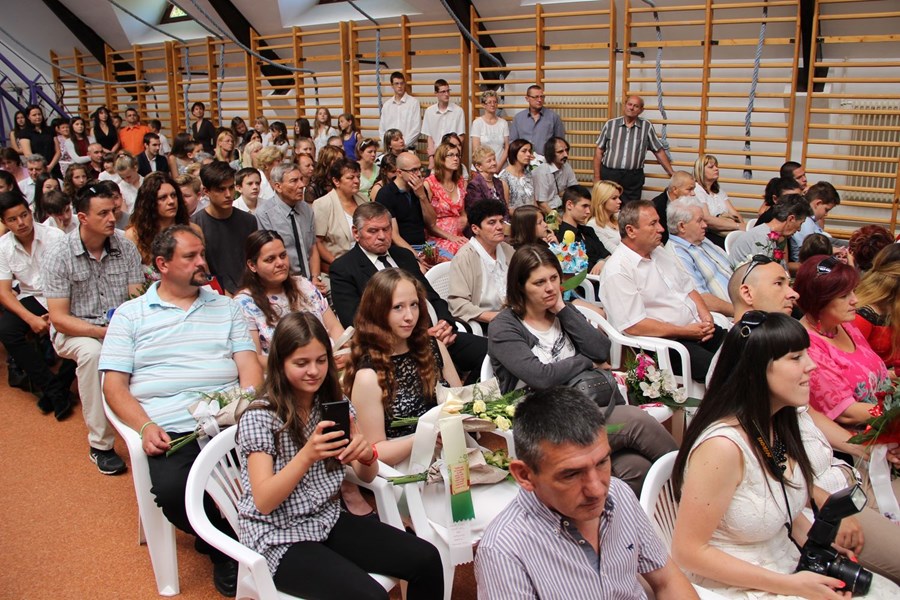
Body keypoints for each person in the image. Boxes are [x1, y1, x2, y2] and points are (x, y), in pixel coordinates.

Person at [671, 311, 897, 599]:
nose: (812, 366)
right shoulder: (721, 448)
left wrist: (819, 550)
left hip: (784, 563)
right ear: (755, 370)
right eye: (796, 358)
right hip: (733, 582)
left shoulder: (776, 424)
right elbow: (688, 552)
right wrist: (793, 586)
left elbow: (781, 506)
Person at [101, 225, 263, 596]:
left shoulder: (226, 307)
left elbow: (249, 368)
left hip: (229, 419)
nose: (201, 262)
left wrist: (244, 406)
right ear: (162, 264)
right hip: (172, 426)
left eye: (201, 254)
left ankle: (267, 538)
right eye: (190, 256)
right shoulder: (130, 316)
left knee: (280, 467)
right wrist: (144, 427)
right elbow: (114, 386)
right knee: (175, 492)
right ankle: (223, 548)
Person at [236, 311, 443, 598]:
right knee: (371, 596)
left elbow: (366, 475)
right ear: (280, 363)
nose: (314, 371)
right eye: (301, 363)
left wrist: (366, 456)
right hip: (277, 537)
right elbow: (264, 501)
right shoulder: (261, 416)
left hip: (326, 518)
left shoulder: (333, 403)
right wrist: (307, 456)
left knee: (427, 559)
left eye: (321, 360)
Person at [476, 386, 698, 600]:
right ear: (525, 475)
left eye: (602, 462)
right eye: (571, 474)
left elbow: (666, 579)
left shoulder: (619, 493)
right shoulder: (503, 552)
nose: (597, 490)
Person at [488, 243, 677, 494]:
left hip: (584, 407)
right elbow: (540, 377)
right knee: (636, 422)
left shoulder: (561, 312)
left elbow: (600, 350)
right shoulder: (504, 327)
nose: (550, 288)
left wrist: (563, 310)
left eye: (554, 278)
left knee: (636, 468)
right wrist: (585, 361)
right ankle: (690, 483)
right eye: (539, 282)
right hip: (544, 420)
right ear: (520, 286)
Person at [44, 184, 144, 474]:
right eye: (103, 213)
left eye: (113, 211)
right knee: (93, 354)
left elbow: (136, 299)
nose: (112, 218)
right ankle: (100, 445)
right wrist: (103, 333)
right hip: (75, 331)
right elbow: (59, 318)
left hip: (119, 325)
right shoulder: (59, 254)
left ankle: (152, 427)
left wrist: (126, 331)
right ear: (83, 218)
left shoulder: (125, 246)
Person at [329, 202, 488, 384]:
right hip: (395, 348)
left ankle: (464, 394)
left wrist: (445, 323)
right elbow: (356, 320)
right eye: (373, 231)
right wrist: (418, 336)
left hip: (438, 337)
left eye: (386, 229)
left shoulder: (403, 256)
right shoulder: (344, 268)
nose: (381, 236)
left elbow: (432, 297)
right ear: (356, 233)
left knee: (493, 354)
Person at [600, 200, 726, 382]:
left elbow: (688, 288)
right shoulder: (618, 270)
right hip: (668, 344)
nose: (661, 229)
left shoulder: (659, 252)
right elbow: (634, 325)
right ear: (631, 231)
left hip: (697, 329)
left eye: (659, 222)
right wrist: (686, 331)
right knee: (726, 373)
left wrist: (706, 317)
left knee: (749, 350)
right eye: (653, 224)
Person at [344, 268, 460, 457]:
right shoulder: (368, 375)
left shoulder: (434, 347)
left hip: (450, 453)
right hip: (403, 465)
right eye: (398, 307)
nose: (409, 316)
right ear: (377, 311)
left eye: (414, 305)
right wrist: (422, 438)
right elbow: (373, 453)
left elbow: (459, 402)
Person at [0, 191, 74, 419]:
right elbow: (4, 291)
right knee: (7, 330)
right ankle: (52, 388)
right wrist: (30, 318)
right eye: (13, 219)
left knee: (80, 325)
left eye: (24, 215)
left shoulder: (54, 236)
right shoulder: (3, 246)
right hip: (32, 297)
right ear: (4, 222)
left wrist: (57, 311)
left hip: (63, 295)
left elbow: (73, 278)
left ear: (30, 212)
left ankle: (60, 386)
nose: (21, 223)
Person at [794, 255, 891, 426]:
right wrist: (894, 413)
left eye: (853, 291)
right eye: (844, 295)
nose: (855, 300)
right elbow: (847, 413)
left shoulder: (845, 325)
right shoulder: (807, 346)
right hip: (855, 436)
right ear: (819, 300)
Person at [234, 230, 343, 367]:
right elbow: (254, 358)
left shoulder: (304, 285)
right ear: (252, 265)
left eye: (283, 255)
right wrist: (302, 364)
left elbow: (334, 327)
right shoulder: (245, 303)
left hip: (330, 362)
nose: (280, 263)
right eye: (270, 259)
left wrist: (342, 351)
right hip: (282, 372)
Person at [190, 161, 259, 295]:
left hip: (249, 290)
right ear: (206, 191)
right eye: (221, 189)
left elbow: (254, 259)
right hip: (213, 294)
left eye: (231, 188)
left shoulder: (248, 220)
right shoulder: (196, 225)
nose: (228, 194)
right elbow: (200, 268)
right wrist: (222, 293)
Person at [593, 95, 674, 203]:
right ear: (625, 106)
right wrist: (597, 177)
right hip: (610, 174)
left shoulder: (646, 126)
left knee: (631, 208)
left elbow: (658, 150)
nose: (631, 108)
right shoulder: (610, 124)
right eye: (629, 104)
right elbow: (599, 151)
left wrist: (672, 173)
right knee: (606, 205)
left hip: (633, 177)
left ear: (641, 110)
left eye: (636, 106)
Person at [448, 199, 513, 325]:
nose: (500, 227)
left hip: (513, 315)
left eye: (501, 221)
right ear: (475, 229)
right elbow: (458, 304)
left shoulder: (508, 250)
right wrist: (497, 317)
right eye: (492, 222)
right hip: (487, 322)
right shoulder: (464, 258)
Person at [255, 164, 321, 287]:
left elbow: (312, 248)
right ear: (278, 186)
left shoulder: (307, 209)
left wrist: (315, 278)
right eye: (294, 181)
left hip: (310, 280)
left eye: (301, 179)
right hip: (284, 282)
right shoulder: (264, 214)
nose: (302, 185)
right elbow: (269, 257)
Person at [666, 199, 734, 316]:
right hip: (729, 316)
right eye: (699, 221)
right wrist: (740, 311)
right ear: (682, 226)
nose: (705, 225)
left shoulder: (701, 239)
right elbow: (702, 299)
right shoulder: (678, 254)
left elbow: (730, 266)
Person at [125, 171, 202, 271]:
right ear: (150, 202)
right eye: (163, 198)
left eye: (173, 195)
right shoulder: (134, 236)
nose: (171, 201)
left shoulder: (193, 230)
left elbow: (203, 270)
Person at [373, 151, 439, 255]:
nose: (419, 174)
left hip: (424, 246)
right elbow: (394, 236)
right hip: (400, 249)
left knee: (452, 261)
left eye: (420, 169)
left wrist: (422, 196)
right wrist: (416, 256)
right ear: (399, 173)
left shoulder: (420, 189)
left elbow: (432, 223)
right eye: (414, 170)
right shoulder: (386, 194)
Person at [728, 194, 813, 272]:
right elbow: (762, 274)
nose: (799, 229)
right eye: (800, 223)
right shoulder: (762, 238)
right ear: (791, 219)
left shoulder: (776, 237)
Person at [313, 158, 368, 273]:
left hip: (365, 260)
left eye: (358, 177)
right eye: (350, 178)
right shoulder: (323, 204)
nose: (356, 181)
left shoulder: (363, 199)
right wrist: (337, 264)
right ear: (336, 181)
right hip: (338, 264)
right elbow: (317, 242)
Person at [854, 244, 900, 370]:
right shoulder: (862, 314)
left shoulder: (893, 307)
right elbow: (852, 364)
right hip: (874, 376)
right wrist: (890, 374)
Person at [424, 142, 468, 256]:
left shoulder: (460, 181)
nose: (456, 159)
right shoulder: (429, 183)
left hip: (458, 235)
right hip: (438, 236)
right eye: (451, 155)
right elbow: (427, 222)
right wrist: (451, 237)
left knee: (475, 249)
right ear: (441, 159)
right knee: (460, 253)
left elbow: (462, 211)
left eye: (457, 155)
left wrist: (465, 218)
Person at [692, 154, 744, 247]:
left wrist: (743, 226)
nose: (716, 169)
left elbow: (735, 213)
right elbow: (707, 219)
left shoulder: (719, 191)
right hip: (708, 235)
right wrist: (737, 226)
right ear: (701, 171)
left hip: (726, 231)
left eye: (716, 166)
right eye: (711, 167)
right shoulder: (697, 189)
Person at [557, 185, 610, 275]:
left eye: (589, 207)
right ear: (569, 205)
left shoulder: (589, 230)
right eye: (584, 206)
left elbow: (607, 255)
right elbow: (580, 269)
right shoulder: (560, 235)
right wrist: (602, 261)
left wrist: (602, 261)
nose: (588, 211)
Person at [509, 84, 565, 159]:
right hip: (524, 161)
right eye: (536, 97)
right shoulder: (518, 118)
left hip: (546, 161)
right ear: (527, 98)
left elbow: (560, 143)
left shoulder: (554, 117)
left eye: (542, 97)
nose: (539, 100)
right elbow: (513, 143)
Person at [790, 182, 841, 262]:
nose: (826, 214)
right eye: (826, 210)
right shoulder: (805, 222)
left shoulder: (811, 220)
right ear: (818, 203)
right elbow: (808, 254)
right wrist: (831, 251)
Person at [422, 79, 466, 169]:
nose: (446, 94)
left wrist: (453, 154)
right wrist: (431, 160)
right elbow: (430, 137)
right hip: (436, 155)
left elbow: (461, 137)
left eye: (448, 91)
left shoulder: (458, 111)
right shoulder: (429, 111)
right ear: (436, 93)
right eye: (443, 92)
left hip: (451, 154)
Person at [532, 137, 578, 211]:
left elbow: (574, 190)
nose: (566, 155)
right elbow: (542, 204)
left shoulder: (566, 166)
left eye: (566, 150)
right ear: (551, 154)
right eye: (560, 152)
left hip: (563, 207)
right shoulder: (542, 172)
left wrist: (565, 193)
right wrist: (558, 218)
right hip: (548, 211)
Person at [651, 170, 696, 246]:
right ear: (675, 190)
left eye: (693, 189)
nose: (693, 193)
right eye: (689, 189)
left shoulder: (690, 202)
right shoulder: (657, 207)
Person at [379, 72, 421, 151]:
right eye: (396, 83)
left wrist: (402, 144)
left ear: (404, 84)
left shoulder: (413, 103)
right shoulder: (387, 105)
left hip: (407, 148)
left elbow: (416, 129)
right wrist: (389, 144)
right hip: (391, 149)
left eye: (402, 83)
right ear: (392, 85)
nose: (399, 86)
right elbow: (382, 130)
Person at [470, 89, 509, 167]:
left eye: (495, 102)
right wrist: (487, 167)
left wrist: (498, 167)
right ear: (483, 105)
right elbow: (476, 150)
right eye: (489, 102)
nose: (493, 104)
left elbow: (507, 147)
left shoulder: (503, 123)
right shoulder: (477, 123)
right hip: (483, 167)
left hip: (500, 166)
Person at [18, 105, 60, 173]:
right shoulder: (24, 133)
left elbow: (58, 151)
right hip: (37, 169)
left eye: (39, 114)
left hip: (53, 167)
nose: (37, 117)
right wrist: (41, 167)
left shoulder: (50, 130)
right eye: (34, 115)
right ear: (28, 117)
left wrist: (50, 166)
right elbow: (28, 154)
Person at [498, 139, 536, 213]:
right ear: (514, 152)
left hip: (532, 216)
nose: (528, 154)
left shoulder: (528, 174)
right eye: (524, 151)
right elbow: (505, 208)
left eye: (529, 151)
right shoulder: (504, 177)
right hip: (516, 218)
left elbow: (533, 201)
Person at [465, 146, 507, 212]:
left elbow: (504, 208)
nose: (494, 163)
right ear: (479, 167)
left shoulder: (498, 182)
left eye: (494, 159)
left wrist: (505, 218)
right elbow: (477, 211)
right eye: (489, 161)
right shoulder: (474, 185)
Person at [588, 179, 623, 254]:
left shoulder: (619, 217)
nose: (619, 201)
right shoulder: (593, 225)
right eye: (614, 198)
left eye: (619, 197)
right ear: (602, 200)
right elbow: (614, 251)